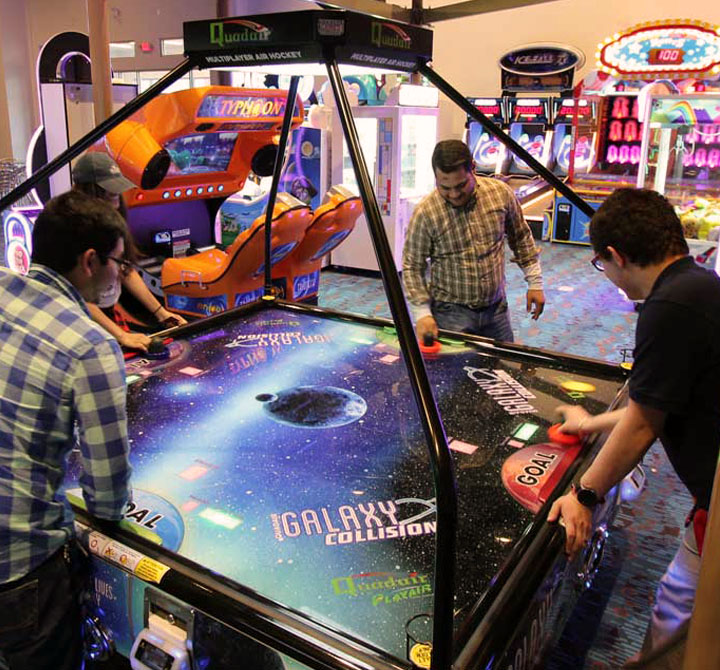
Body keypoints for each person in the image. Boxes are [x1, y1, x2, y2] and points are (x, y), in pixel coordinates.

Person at [547, 188, 720, 662]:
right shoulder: (697, 285)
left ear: (616, 257)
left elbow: (644, 423)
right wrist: (591, 424)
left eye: (601, 264)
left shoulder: (670, 307)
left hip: (715, 502)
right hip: (708, 497)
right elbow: (661, 399)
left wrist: (584, 495)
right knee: (677, 600)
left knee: (683, 615)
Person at [0, 191, 133, 670]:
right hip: (22, 567)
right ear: (90, 260)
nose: (121, 274)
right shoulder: (91, 347)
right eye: (120, 262)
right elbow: (107, 494)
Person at [402, 139, 545, 343]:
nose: (454, 194)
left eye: (461, 185)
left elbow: (521, 237)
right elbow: (411, 266)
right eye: (445, 187)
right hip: (450, 314)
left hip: (496, 310)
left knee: (504, 370)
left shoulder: (500, 193)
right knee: (453, 374)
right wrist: (422, 313)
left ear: (473, 169)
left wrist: (535, 283)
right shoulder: (426, 213)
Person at [71, 152, 187, 352]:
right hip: (83, 321)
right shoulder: (75, 228)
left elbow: (125, 270)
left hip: (107, 314)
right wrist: (121, 335)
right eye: (109, 188)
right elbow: (78, 297)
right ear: (89, 191)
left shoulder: (112, 220)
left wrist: (161, 313)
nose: (117, 194)